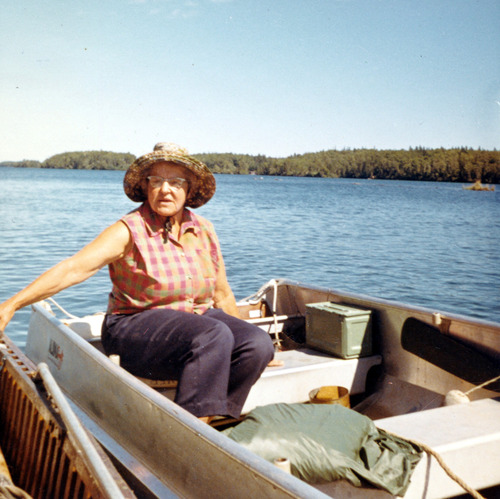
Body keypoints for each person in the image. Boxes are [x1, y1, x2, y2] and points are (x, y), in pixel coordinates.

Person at [0, 142, 275, 422]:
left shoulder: (204, 230)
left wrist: (248, 343)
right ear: (146, 187)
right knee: (213, 336)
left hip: (194, 326)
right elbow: (74, 268)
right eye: (157, 181)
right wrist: (12, 304)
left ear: (190, 190)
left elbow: (222, 293)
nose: (165, 189)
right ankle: (192, 429)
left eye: (176, 182)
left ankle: (219, 417)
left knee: (257, 344)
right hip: (134, 329)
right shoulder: (128, 229)